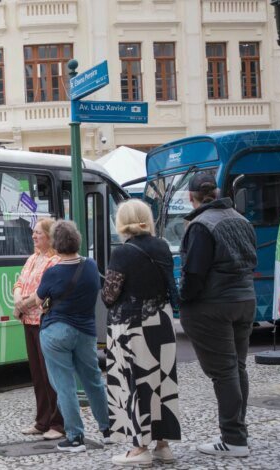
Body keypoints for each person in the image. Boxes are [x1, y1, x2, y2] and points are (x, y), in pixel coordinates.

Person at [179, 173, 257, 458]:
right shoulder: (240, 219)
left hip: (213, 305)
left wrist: (183, 300)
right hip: (245, 300)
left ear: (191, 197)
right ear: (217, 191)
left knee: (224, 372)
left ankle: (233, 438)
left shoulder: (201, 225)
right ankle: (238, 431)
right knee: (237, 368)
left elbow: (194, 274)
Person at [102, 199, 181, 467]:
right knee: (162, 381)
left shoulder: (122, 252)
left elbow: (109, 295)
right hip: (162, 320)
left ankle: (139, 448)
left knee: (136, 383)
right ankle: (163, 445)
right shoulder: (162, 247)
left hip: (132, 325)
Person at [37, 220, 111, 452]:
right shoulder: (90, 266)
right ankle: (108, 429)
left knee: (64, 385)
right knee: (94, 381)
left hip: (56, 331)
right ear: (77, 240)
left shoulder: (52, 272)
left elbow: (40, 301)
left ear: (56, 245)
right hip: (86, 331)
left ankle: (75, 437)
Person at [13, 217, 64, 440]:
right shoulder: (33, 258)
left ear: (49, 237)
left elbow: (45, 290)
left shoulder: (54, 261)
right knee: (36, 374)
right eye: (34, 233)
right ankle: (42, 421)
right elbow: (19, 283)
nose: (34, 236)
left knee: (49, 374)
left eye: (38, 233)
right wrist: (17, 299)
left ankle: (57, 423)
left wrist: (24, 303)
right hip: (28, 321)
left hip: (44, 321)